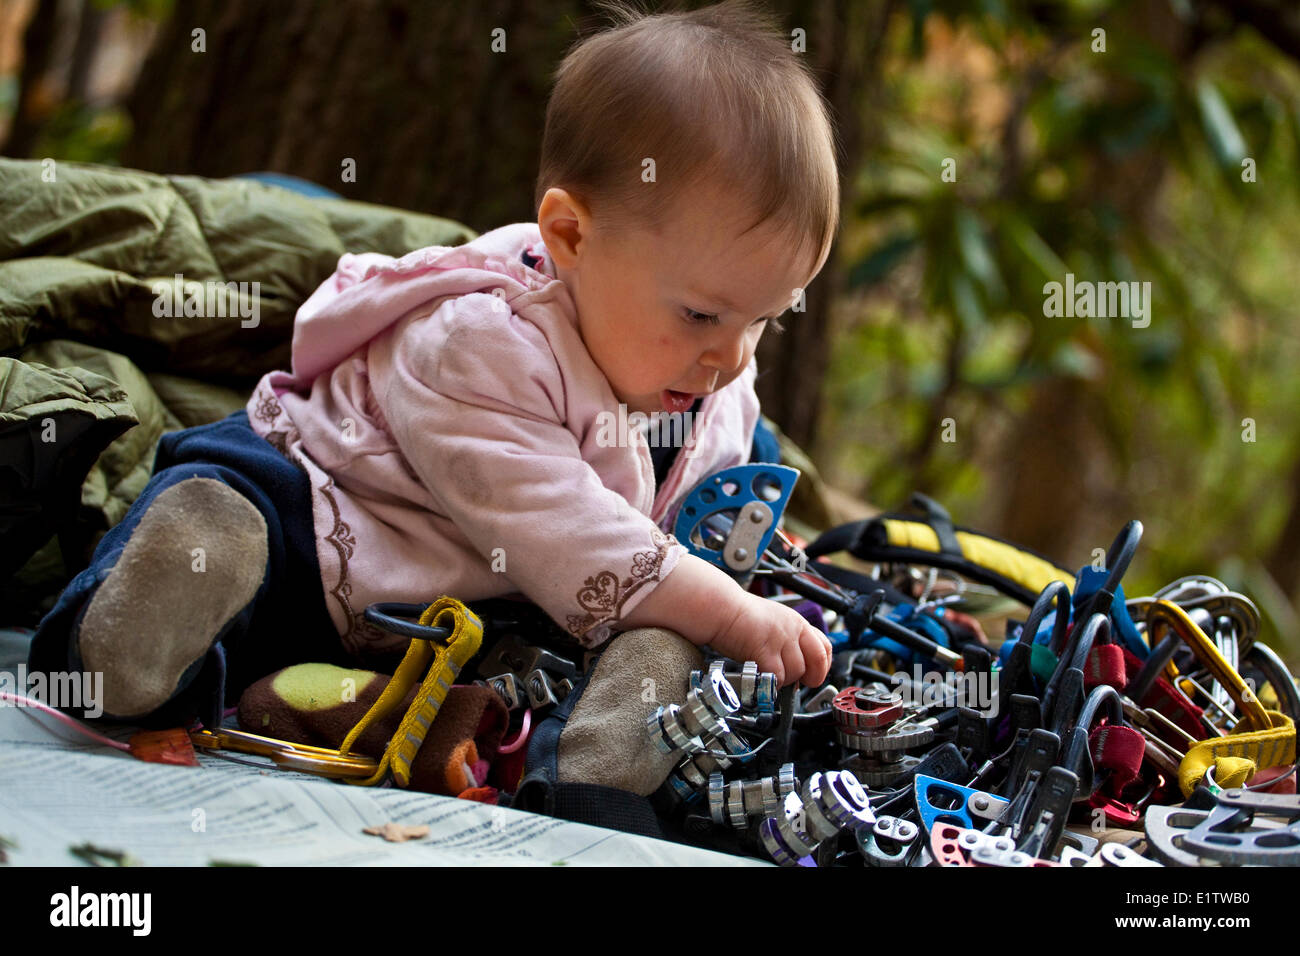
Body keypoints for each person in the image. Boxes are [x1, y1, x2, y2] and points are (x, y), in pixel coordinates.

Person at [29, 0, 839, 729]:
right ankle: (123, 646)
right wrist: (730, 617)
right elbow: (570, 530)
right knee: (231, 524)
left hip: (439, 613)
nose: (731, 357)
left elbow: (729, 489)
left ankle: (602, 745)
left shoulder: (711, 375)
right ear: (570, 236)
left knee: (545, 659)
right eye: (702, 313)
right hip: (320, 509)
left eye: (765, 318)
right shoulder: (481, 343)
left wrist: (771, 565)